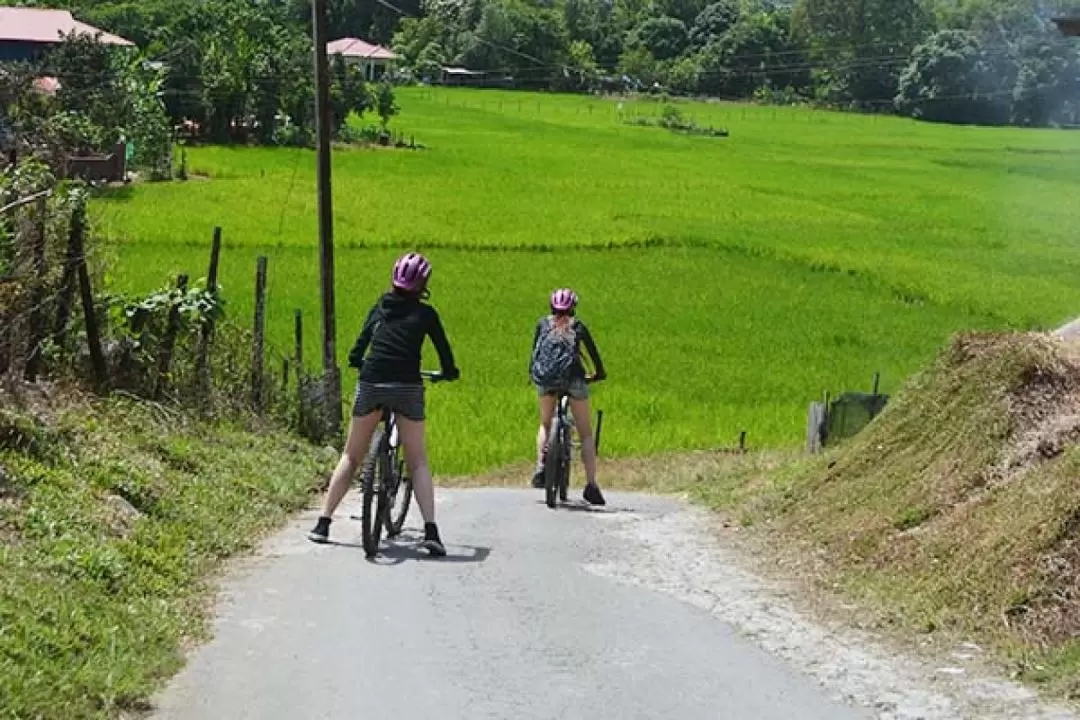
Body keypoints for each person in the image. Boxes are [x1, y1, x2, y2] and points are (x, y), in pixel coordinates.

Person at [307, 252, 460, 556]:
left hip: (372, 382)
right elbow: (444, 352)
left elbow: (359, 346)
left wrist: (355, 360)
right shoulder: (426, 314)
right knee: (417, 461)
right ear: (423, 284)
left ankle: (323, 524)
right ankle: (431, 531)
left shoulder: (380, 306)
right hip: (407, 386)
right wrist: (449, 372)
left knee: (351, 455)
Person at [529, 288, 607, 506]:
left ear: (551, 307)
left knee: (545, 424)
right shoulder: (578, 327)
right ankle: (591, 485)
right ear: (573, 308)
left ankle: (541, 466)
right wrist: (598, 374)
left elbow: (534, 354)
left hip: (545, 380)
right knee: (585, 434)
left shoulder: (542, 325)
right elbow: (594, 357)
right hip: (574, 380)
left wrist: (534, 377)